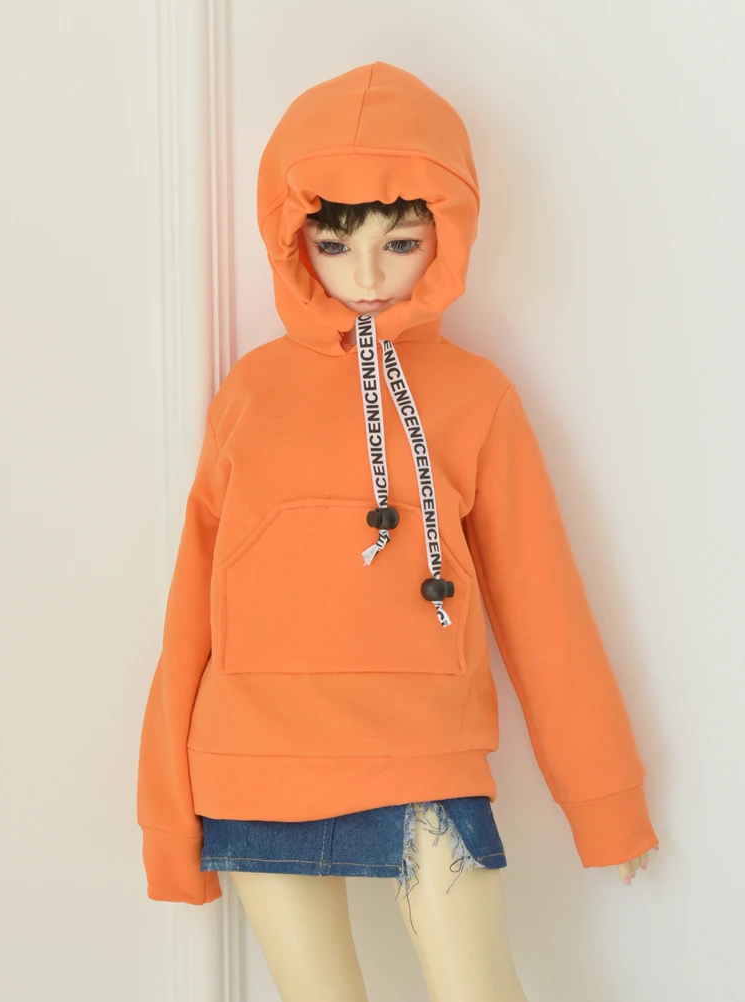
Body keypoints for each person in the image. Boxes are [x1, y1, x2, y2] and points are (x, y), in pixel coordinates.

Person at [137, 61, 659, 1002]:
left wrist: (605, 803)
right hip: (252, 764)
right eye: (335, 243)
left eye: (402, 241)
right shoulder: (249, 393)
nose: (369, 275)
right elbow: (193, 609)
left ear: (446, 235)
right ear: (293, 237)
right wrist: (167, 822)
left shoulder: (476, 397)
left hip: (424, 759)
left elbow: (543, 609)